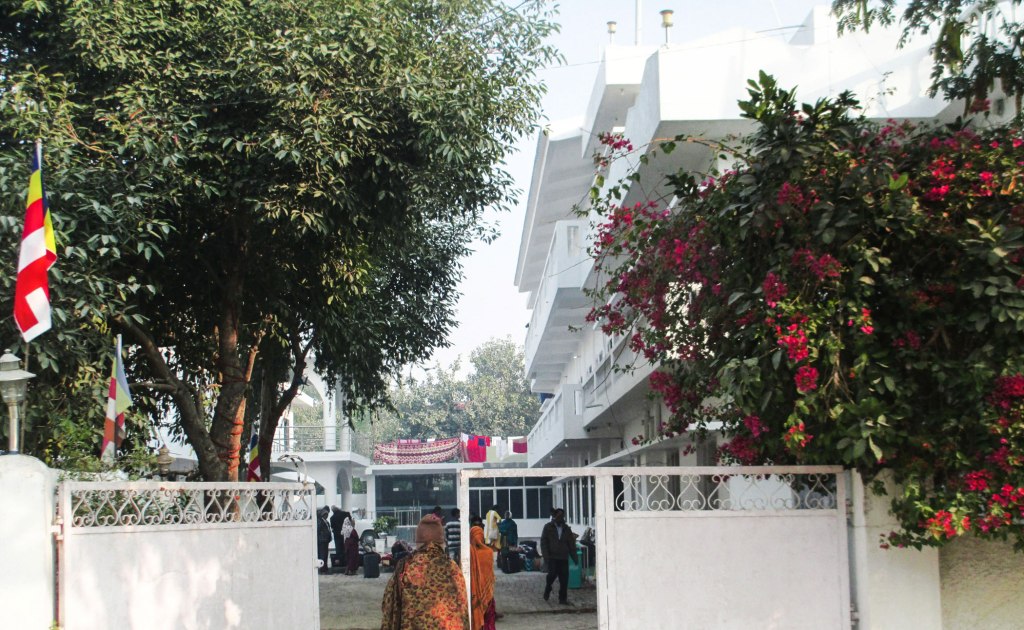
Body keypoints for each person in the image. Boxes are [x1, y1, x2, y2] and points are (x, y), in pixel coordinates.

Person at [381, 514, 469, 630]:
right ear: (442, 543)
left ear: (418, 542)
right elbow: (462, 610)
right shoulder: (452, 568)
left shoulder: (406, 566)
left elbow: (389, 605)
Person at [540, 508, 577, 605]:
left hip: (563, 557)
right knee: (551, 575)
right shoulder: (548, 527)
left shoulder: (567, 529)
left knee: (564, 579)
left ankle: (562, 599)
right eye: (559, 516)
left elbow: (571, 544)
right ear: (555, 516)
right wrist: (546, 556)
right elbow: (543, 542)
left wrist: (574, 557)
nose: (561, 518)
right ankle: (548, 587)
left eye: (562, 516)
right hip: (552, 557)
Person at [469, 516, 497, 630]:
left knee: (475, 619)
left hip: (473, 594)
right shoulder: (489, 552)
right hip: (488, 594)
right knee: (489, 620)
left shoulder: (468, 553)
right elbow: (491, 574)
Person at [316, 506, 332, 575]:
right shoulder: (320, 521)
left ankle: (325, 567)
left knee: (325, 555)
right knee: (322, 555)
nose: (327, 516)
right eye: (325, 515)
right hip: (322, 541)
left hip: (325, 541)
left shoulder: (326, 521)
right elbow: (318, 530)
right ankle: (322, 568)